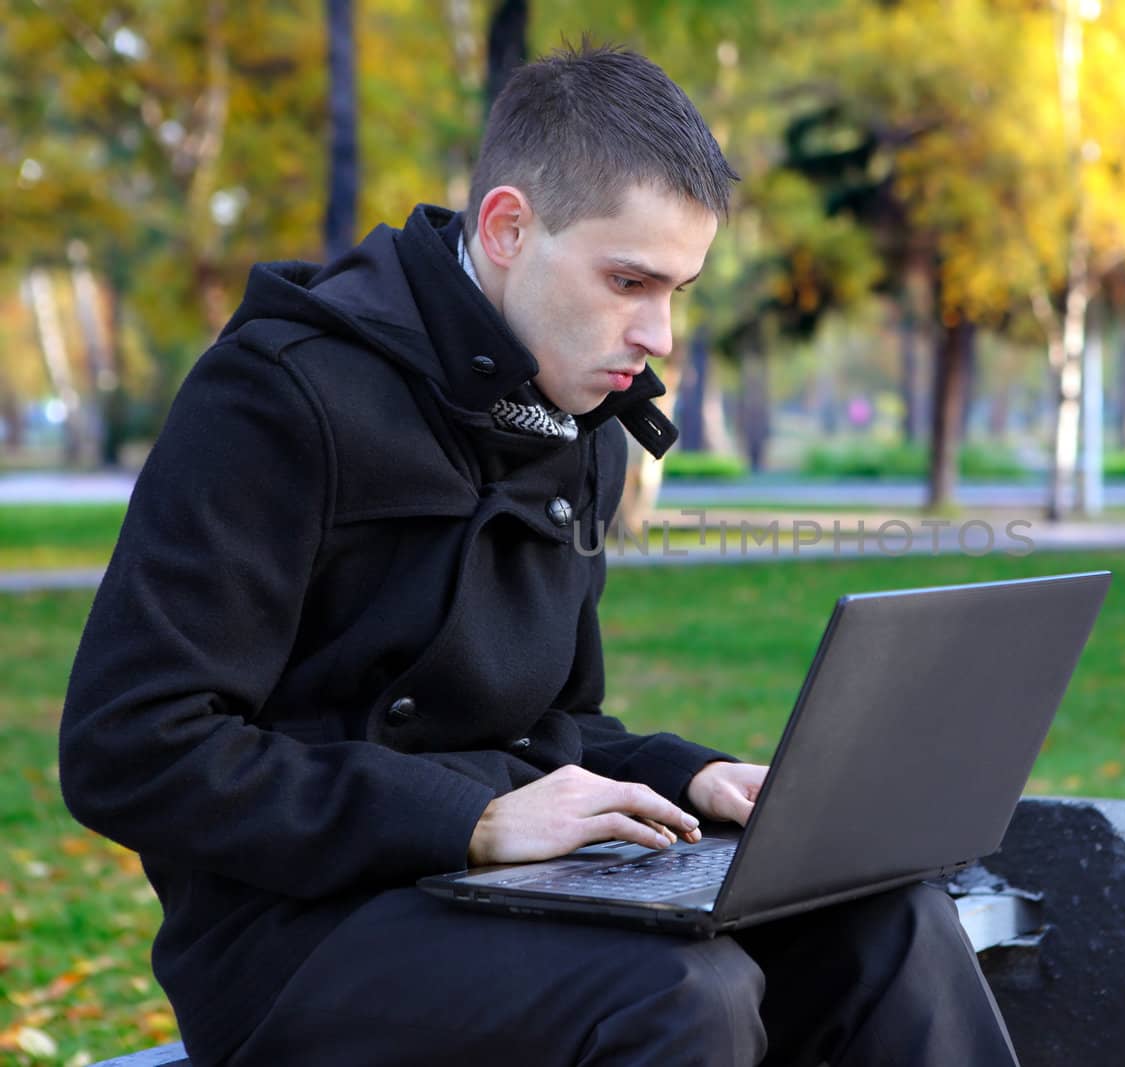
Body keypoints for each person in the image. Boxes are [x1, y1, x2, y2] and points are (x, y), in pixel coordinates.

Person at [59, 44, 1019, 1067]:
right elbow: (132, 746)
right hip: (294, 938)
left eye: (677, 289)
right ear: (509, 227)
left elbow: (555, 725)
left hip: (507, 889)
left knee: (887, 922)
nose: (654, 331)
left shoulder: (583, 419)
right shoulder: (281, 393)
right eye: (627, 280)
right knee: (684, 992)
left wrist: (693, 777)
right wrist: (468, 819)